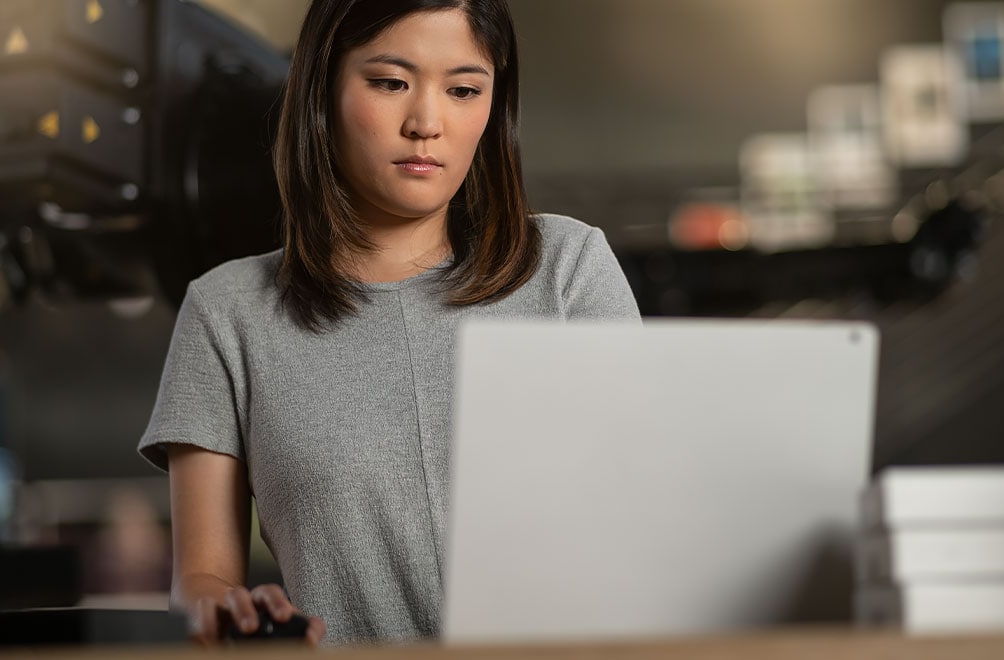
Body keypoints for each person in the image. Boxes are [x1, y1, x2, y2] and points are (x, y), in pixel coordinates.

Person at [137, 0, 640, 647]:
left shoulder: (569, 270)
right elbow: (201, 579)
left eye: (463, 90)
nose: (427, 123)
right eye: (390, 82)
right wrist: (229, 610)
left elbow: (644, 516)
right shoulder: (226, 312)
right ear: (322, 92)